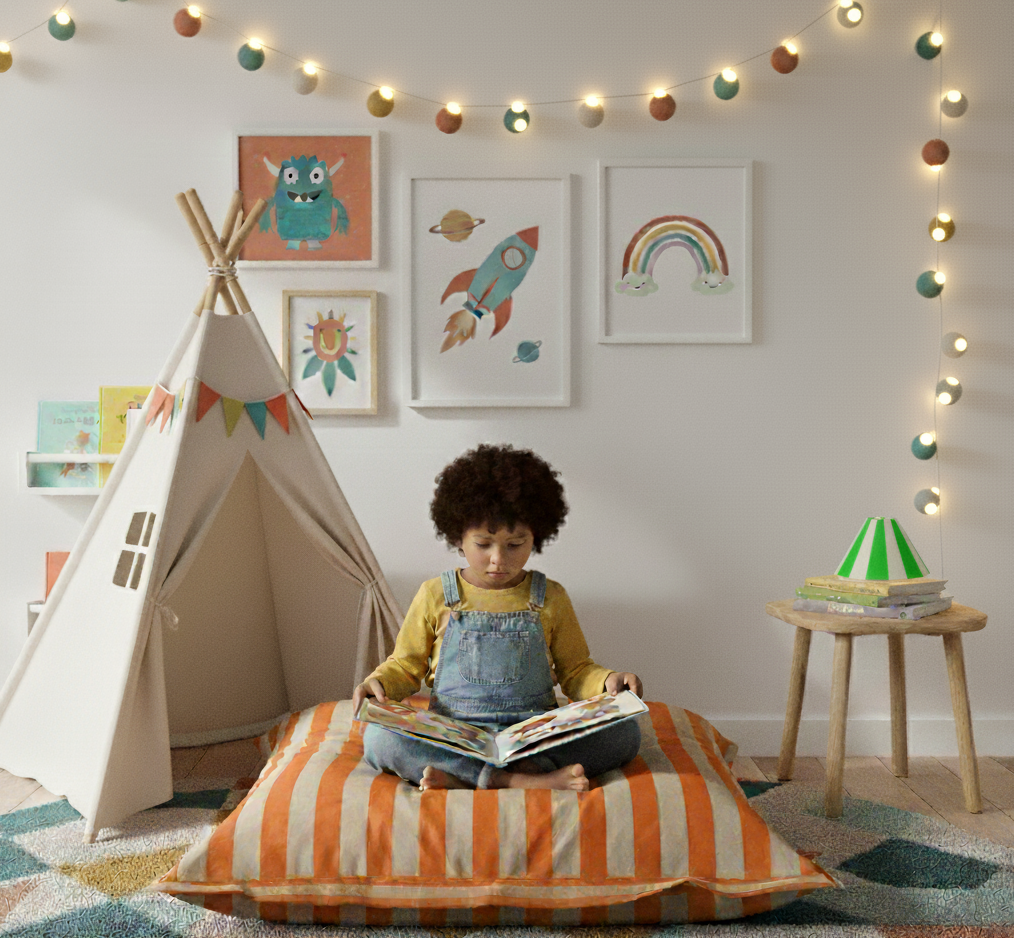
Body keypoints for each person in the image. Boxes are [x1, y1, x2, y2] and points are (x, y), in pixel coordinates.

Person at [353, 443, 643, 792]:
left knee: (625, 732)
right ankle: (519, 779)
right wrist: (380, 684)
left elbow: (576, 671)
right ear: (458, 537)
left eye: (515, 544)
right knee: (379, 739)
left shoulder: (551, 596)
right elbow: (405, 666)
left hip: (535, 735)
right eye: (483, 544)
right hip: (456, 735)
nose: (498, 560)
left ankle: (477, 776)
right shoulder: (435, 594)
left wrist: (608, 681)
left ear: (536, 536)